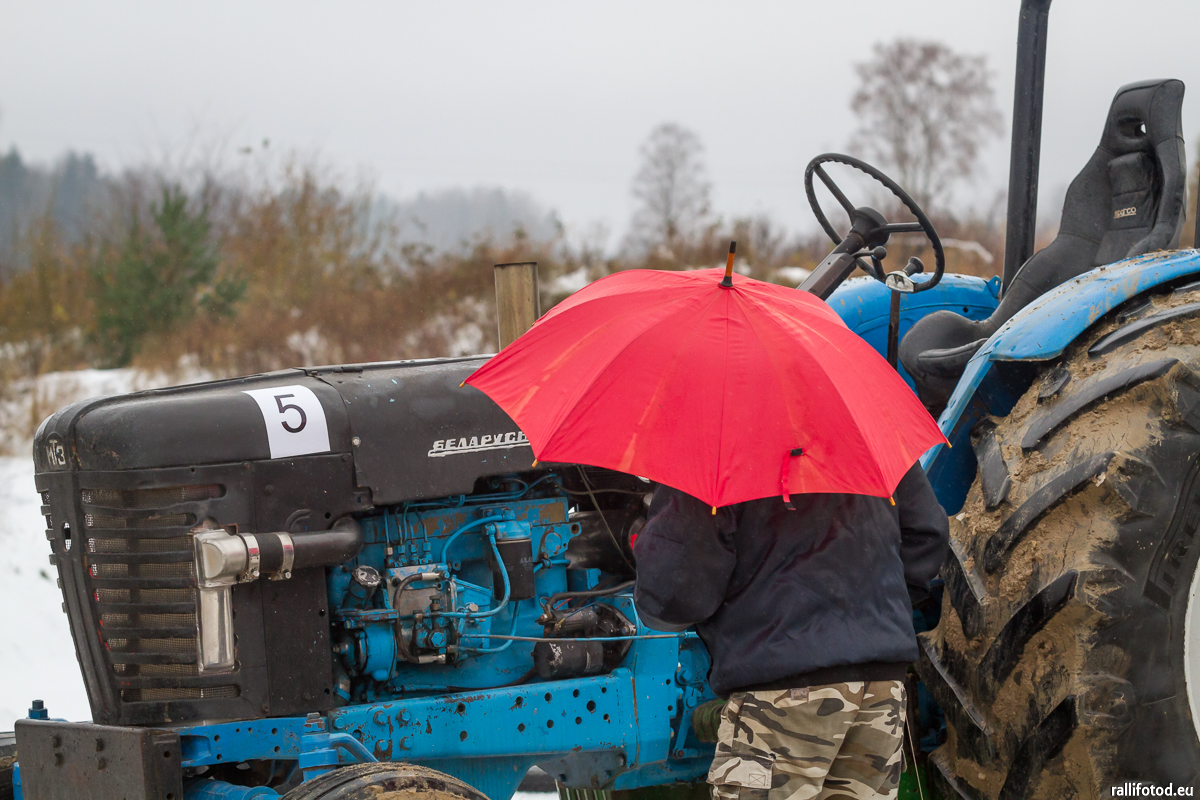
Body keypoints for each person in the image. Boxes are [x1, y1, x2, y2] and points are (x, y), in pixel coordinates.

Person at [632, 462, 949, 800]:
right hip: (880, 690)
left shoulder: (712, 447)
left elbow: (673, 592)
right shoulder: (869, 433)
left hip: (781, 696)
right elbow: (927, 533)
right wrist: (873, 609)